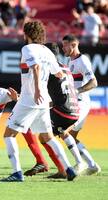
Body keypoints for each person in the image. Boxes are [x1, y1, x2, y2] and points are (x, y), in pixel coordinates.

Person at [0, 21, 77, 182]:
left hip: (30, 99)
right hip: (43, 101)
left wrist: (36, 90)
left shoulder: (27, 48)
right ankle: (69, 169)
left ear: (27, 34)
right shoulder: (46, 51)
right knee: (49, 137)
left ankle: (17, 173)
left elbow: (35, 68)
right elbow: (59, 74)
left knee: (9, 135)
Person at [23, 43, 86, 179]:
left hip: (62, 111)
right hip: (74, 110)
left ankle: (62, 169)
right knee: (61, 132)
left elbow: (43, 93)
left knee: (43, 136)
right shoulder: (65, 68)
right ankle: (79, 162)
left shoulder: (49, 69)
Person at [62, 34, 101, 175]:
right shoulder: (69, 62)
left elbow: (94, 82)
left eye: (65, 45)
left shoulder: (82, 60)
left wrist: (76, 91)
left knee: (64, 131)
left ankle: (80, 164)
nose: (63, 48)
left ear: (73, 45)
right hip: (75, 102)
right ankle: (92, 165)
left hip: (81, 102)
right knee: (71, 135)